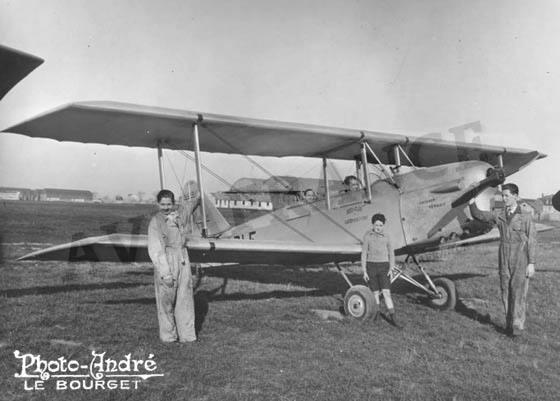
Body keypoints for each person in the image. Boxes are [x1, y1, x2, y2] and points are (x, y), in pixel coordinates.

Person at [469, 183, 536, 337]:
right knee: (505, 288)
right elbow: (480, 215)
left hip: (520, 255)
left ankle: (518, 325)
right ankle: (509, 324)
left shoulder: (525, 215)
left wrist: (531, 263)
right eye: (502, 196)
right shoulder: (499, 215)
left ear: (516, 197)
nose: (504, 198)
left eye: (507, 196)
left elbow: (532, 239)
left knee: (518, 291)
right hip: (503, 253)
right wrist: (471, 201)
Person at [148, 189, 197, 343]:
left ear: (173, 203)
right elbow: (155, 249)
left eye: (169, 204)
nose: (166, 207)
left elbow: (189, 206)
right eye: (163, 204)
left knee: (185, 298)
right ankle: (168, 336)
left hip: (182, 258)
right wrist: (165, 273)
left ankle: (187, 336)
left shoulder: (179, 217)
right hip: (166, 259)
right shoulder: (155, 222)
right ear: (158, 204)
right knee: (166, 300)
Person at [361, 213, 399, 327]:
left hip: (384, 267)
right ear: (373, 225)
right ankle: (377, 315)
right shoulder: (367, 236)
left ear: (383, 225)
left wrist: (391, 268)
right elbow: (363, 254)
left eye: (381, 225)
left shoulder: (387, 236)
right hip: (371, 266)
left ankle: (393, 319)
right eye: (376, 225)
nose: (378, 227)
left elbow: (391, 253)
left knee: (387, 293)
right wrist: (364, 271)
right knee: (375, 293)